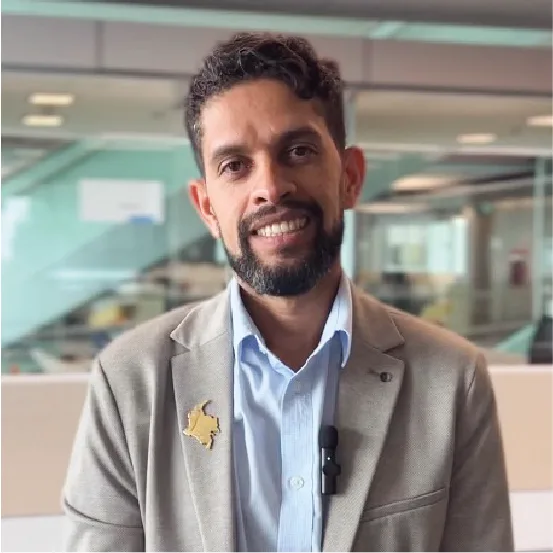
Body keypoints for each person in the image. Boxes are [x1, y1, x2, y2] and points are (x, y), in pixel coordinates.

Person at [63, 32, 514, 552]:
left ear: (350, 177)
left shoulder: (451, 380)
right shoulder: (129, 381)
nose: (271, 188)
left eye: (298, 151)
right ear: (207, 207)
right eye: (235, 165)